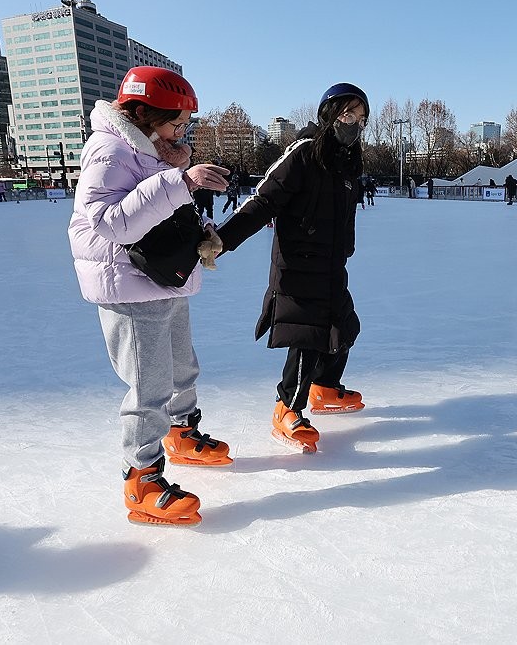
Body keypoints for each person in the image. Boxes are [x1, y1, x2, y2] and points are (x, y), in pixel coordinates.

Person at [68, 66, 230, 525]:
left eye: (184, 125)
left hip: (162, 278)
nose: (182, 132)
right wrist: (180, 181)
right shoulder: (109, 150)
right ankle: (141, 477)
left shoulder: (153, 154)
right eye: (176, 123)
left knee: (182, 366)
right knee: (149, 384)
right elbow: (114, 223)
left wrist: (204, 232)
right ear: (143, 114)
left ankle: (181, 433)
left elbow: (162, 216)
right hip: (129, 286)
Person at [216, 82, 369, 453]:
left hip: (331, 263)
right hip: (298, 264)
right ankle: (287, 408)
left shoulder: (348, 162)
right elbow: (263, 201)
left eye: (361, 118)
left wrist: (345, 248)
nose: (354, 123)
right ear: (328, 115)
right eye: (348, 114)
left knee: (345, 326)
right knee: (307, 339)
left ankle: (324, 388)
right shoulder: (303, 154)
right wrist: (222, 240)